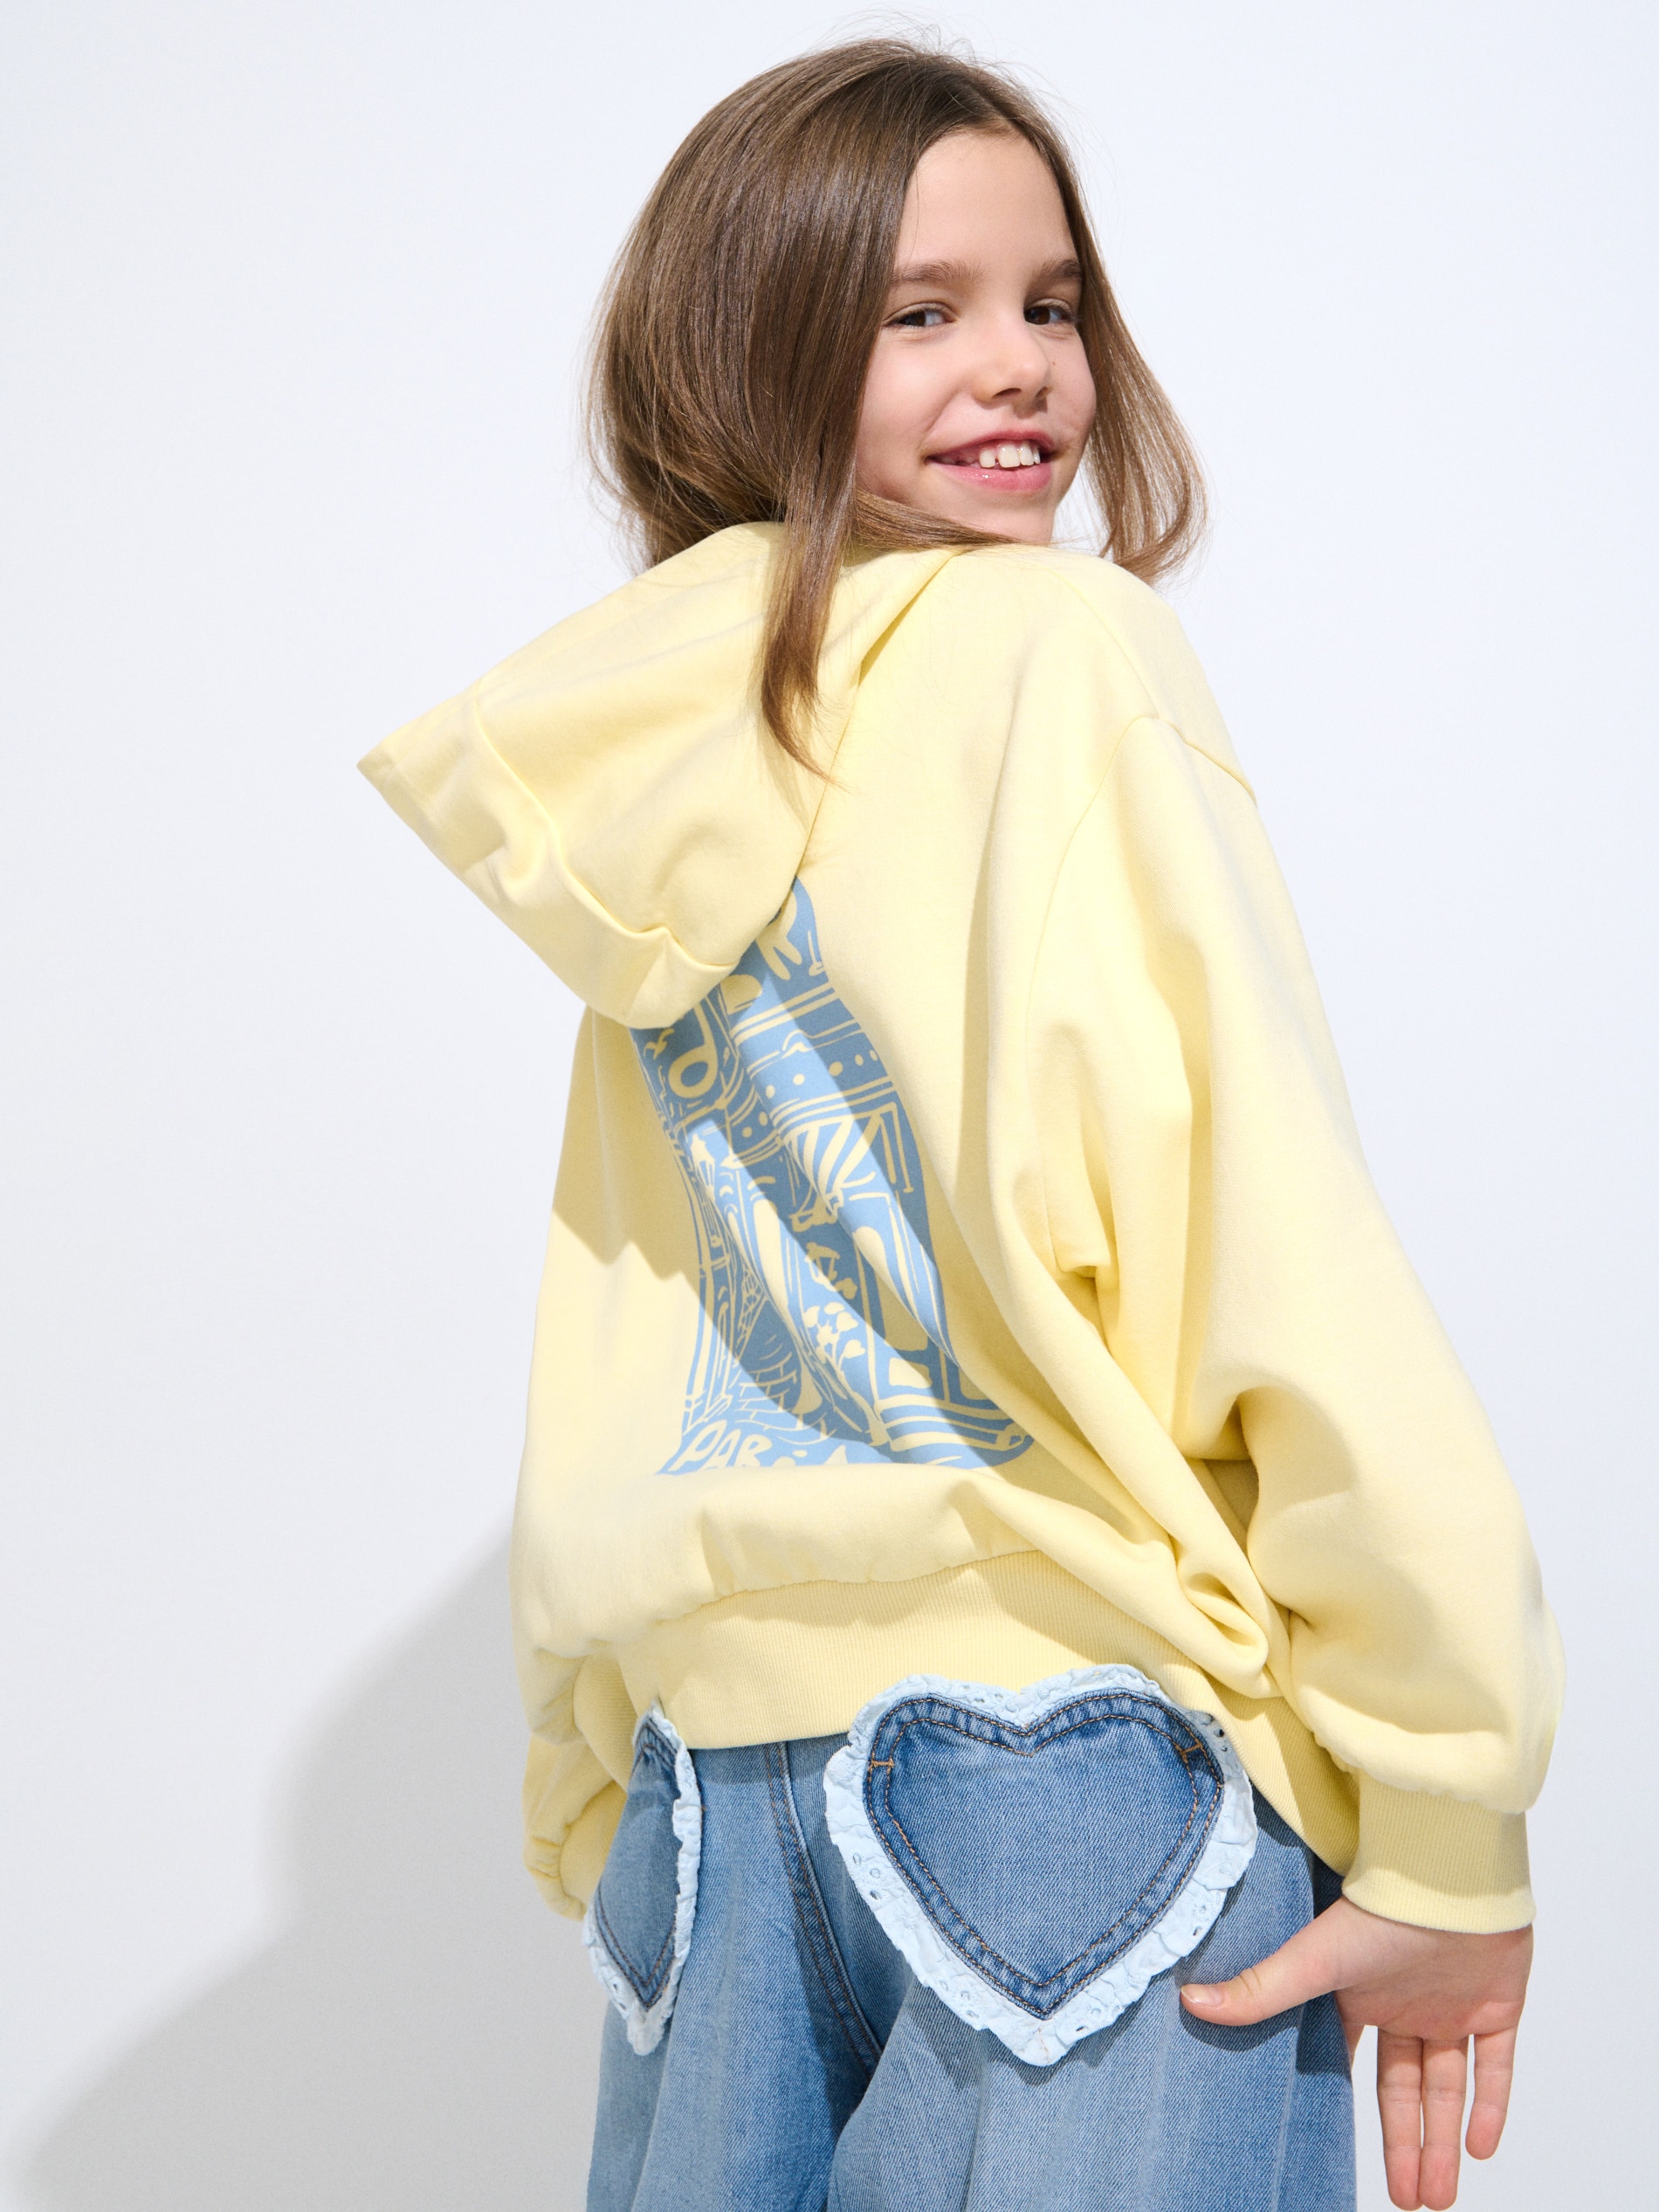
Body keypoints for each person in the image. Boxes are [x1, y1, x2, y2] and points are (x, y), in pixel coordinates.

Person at [360, 38, 1560, 2212]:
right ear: (748, 343)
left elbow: (639, 1283)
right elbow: (1256, 1238)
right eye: (917, 311)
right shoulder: (1060, 653)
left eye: (1050, 302)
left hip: (709, 1807)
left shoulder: (649, 744)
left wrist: (593, 1775)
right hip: (1075, 1788)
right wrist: (1447, 1810)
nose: (1018, 366)